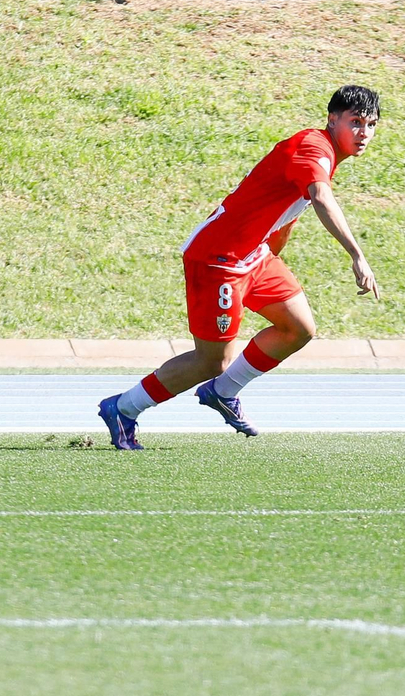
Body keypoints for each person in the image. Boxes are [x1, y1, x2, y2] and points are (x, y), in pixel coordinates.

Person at [99, 86, 383, 450]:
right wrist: (357, 255)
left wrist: (272, 252)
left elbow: (287, 207)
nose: (363, 133)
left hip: (253, 256)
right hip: (218, 258)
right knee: (211, 361)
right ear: (332, 120)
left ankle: (223, 392)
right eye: (355, 122)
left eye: (370, 125)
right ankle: (123, 408)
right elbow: (320, 197)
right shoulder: (314, 147)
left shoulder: (323, 154)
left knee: (298, 328)